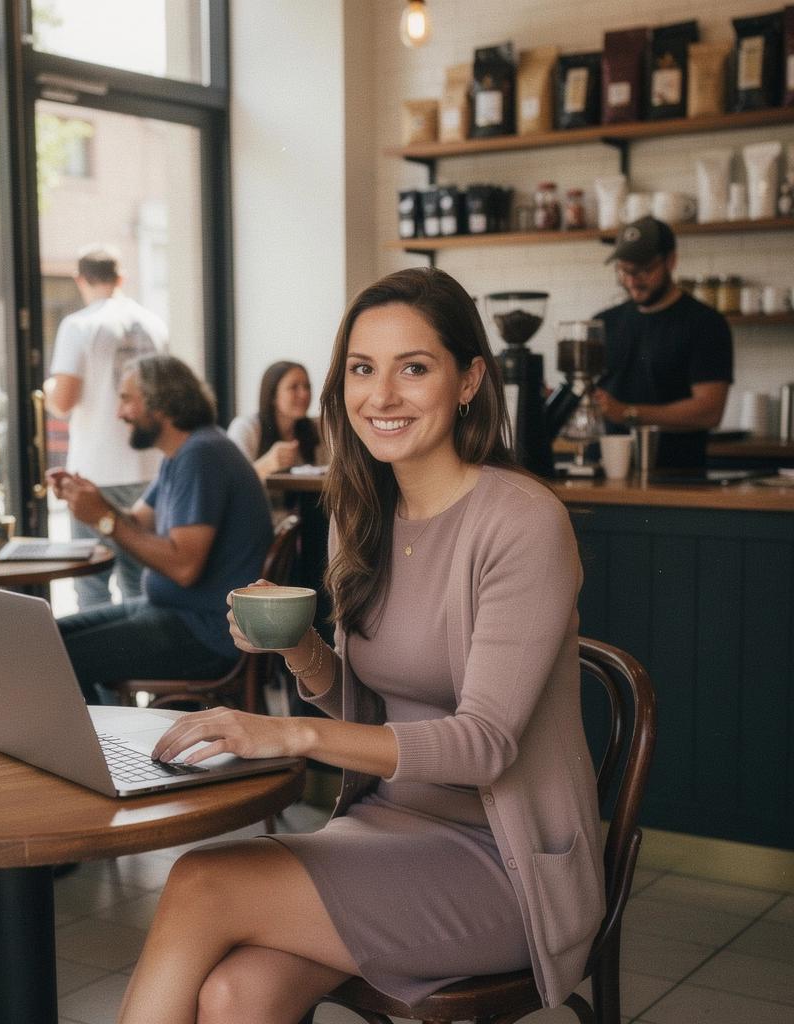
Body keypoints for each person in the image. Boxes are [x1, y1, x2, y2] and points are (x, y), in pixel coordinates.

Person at [113, 268, 604, 1024]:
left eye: (415, 368)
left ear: (470, 378)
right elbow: (377, 710)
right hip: (383, 830)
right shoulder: (363, 512)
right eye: (362, 370)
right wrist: (300, 648)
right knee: (234, 995)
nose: (382, 396)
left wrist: (292, 731)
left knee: (201, 882)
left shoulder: (523, 523)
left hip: (503, 863)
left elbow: (485, 746)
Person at [52, 354, 273, 702]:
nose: (119, 412)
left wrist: (102, 518)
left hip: (207, 633)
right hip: (172, 613)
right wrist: (95, 501)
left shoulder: (202, 456)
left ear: (161, 405)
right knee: (42, 638)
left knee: (54, 659)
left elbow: (184, 567)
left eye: (127, 399)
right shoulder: (183, 453)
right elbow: (138, 522)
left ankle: (89, 752)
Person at [44, 244, 168, 608]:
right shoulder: (155, 324)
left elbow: (63, 401)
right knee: (140, 583)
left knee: (92, 585)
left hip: (95, 475)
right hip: (149, 469)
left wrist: (49, 390)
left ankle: (99, 663)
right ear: (120, 278)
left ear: (80, 279)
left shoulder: (79, 325)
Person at [593, 215, 733, 469]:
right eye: (624, 271)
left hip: (677, 478)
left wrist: (627, 413)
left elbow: (709, 410)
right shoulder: (603, 323)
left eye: (644, 270)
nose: (633, 281)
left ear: (671, 260)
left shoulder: (706, 323)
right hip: (607, 473)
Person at [227, 361, 323, 480]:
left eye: (307, 387)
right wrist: (267, 464)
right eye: (294, 387)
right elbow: (231, 484)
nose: (304, 394)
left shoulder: (316, 428)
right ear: (272, 395)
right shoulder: (246, 428)